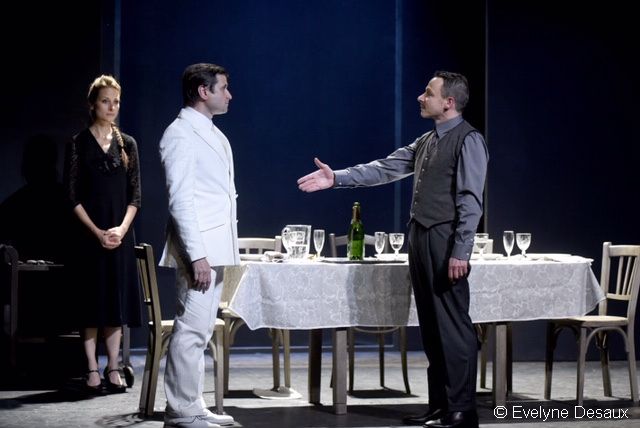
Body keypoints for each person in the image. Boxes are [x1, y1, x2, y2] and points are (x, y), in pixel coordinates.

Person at [298, 71, 488, 428]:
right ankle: (440, 405)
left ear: (448, 102)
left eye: (428, 93)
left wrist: (461, 250)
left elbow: (470, 200)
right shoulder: (427, 140)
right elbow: (385, 168)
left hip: (445, 238)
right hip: (420, 237)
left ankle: (462, 410)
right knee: (431, 326)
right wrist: (337, 178)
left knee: (452, 326)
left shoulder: (468, 140)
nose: (420, 97)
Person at [159, 63, 239, 428]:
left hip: (215, 246)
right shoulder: (180, 133)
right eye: (223, 88)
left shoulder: (212, 132)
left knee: (202, 329)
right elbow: (181, 200)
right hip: (200, 249)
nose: (229, 95)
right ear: (203, 91)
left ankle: (192, 402)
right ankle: (180, 409)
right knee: (190, 328)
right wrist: (198, 255)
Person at [63, 75, 142, 394]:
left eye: (116, 101)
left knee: (115, 302)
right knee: (90, 302)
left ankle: (113, 365)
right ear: (93, 104)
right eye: (106, 101)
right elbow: (71, 196)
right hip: (89, 235)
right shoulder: (78, 143)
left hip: (119, 235)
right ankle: (91, 367)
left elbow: (135, 195)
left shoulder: (128, 144)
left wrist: (120, 229)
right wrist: (97, 232)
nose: (112, 107)